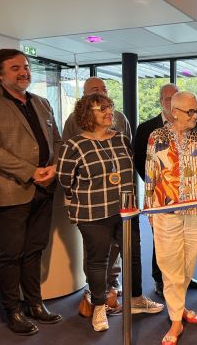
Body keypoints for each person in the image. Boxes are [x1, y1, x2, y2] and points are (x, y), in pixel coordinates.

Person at [57, 93, 164, 332]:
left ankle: (136, 299)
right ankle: (98, 307)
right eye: (101, 109)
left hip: (126, 211)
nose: (109, 112)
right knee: (98, 261)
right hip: (93, 214)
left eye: (110, 107)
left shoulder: (122, 139)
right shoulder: (74, 145)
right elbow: (65, 179)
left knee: (133, 256)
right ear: (87, 115)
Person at [0, 49, 63, 336]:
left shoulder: (41, 102)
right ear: (0, 74)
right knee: (11, 254)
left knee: (34, 250)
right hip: (11, 190)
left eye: (26, 66)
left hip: (46, 187)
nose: (24, 72)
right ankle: (12, 310)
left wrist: (53, 168)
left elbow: (56, 140)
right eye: (15, 67)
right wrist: (31, 171)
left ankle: (34, 304)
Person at [144, 91, 197, 345]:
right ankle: (176, 320)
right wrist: (149, 208)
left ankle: (179, 306)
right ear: (174, 111)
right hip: (165, 211)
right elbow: (150, 174)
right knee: (169, 265)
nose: (195, 116)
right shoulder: (157, 137)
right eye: (190, 111)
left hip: (196, 210)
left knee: (187, 265)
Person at [62, 76, 130, 296]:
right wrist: (77, 196)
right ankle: (96, 292)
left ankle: (112, 281)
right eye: (94, 90)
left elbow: (126, 157)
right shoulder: (74, 125)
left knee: (118, 248)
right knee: (96, 252)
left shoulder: (119, 121)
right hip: (92, 206)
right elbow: (66, 176)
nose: (101, 93)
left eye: (104, 89)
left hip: (119, 201)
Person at [134, 84, 197, 297]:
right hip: (162, 200)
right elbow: (142, 163)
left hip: (189, 200)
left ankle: (183, 278)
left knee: (185, 244)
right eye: (167, 98)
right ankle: (160, 279)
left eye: (175, 97)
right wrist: (156, 192)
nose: (171, 100)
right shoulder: (148, 129)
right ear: (163, 103)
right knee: (162, 246)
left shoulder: (195, 127)